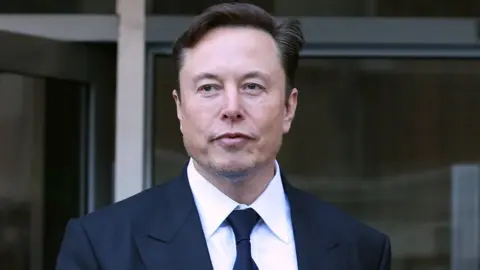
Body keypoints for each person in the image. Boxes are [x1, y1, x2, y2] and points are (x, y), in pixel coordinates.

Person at [56, 2, 391, 270]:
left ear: (289, 108)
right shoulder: (100, 247)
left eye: (253, 87)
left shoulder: (359, 250)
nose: (232, 108)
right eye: (209, 88)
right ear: (180, 107)